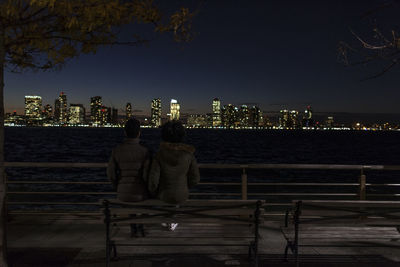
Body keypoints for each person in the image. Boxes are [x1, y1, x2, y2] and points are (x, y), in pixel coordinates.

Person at [148, 120, 200, 230]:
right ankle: (172, 219)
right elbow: (195, 178)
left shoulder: (159, 155)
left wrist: (153, 191)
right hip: (182, 194)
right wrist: (185, 186)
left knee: (166, 194)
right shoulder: (189, 155)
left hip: (164, 194)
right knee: (175, 195)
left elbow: (153, 180)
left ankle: (169, 219)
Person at [107, 118, 150, 236]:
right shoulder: (145, 151)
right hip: (141, 192)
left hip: (123, 192)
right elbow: (147, 175)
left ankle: (133, 227)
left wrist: (117, 186)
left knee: (129, 199)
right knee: (140, 197)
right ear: (139, 133)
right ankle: (140, 226)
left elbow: (110, 173)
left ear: (125, 133)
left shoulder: (117, 150)